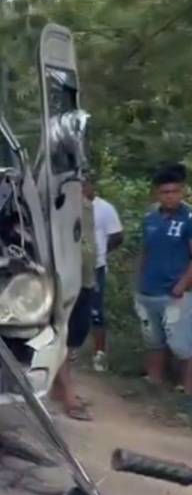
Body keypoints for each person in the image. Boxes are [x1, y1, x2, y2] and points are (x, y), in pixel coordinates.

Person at [135, 163, 192, 395]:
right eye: (165, 192)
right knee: (154, 341)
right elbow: (145, 251)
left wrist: (182, 285)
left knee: (183, 345)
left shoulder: (188, 218)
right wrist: (137, 282)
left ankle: (187, 390)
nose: (170, 197)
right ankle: (154, 382)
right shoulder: (150, 218)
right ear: (157, 193)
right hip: (148, 291)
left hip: (175, 293)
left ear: (183, 191)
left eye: (175, 191)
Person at [50, 192, 97, 420]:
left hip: (86, 277)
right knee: (63, 336)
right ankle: (68, 393)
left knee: (76, 335)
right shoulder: (57, 200)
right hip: (66, 279)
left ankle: (60, 388)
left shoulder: (87, 205)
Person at [84, 179, 123, 372]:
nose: (83, 188)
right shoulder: (67, 205)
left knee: (96, 310)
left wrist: (100, 253)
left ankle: (99, 354)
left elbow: (117, 236)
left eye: (86, 183)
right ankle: (68, 351)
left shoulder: (104, 208)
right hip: (70, 265)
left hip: (95, 266)